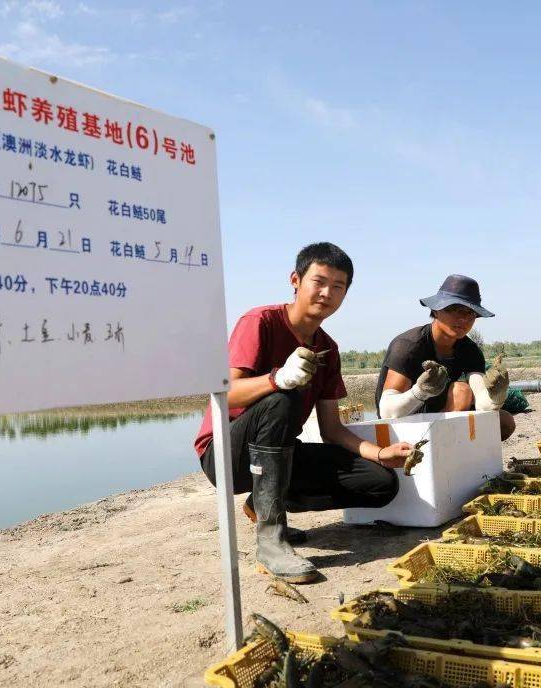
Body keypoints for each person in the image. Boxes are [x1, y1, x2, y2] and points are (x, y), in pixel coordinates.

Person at [194, 243, 411, 584]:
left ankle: (263, 503)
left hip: (278, 455)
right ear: (295, 280)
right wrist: (276, 378)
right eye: (319, 281)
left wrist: (381, 453)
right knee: (283, 398)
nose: (327, 292)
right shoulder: (260, 322)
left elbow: (332, 430)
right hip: (225, 455)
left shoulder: (328, 348)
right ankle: (271, 541)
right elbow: (226, 392)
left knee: (380, 485)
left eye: (338, 286)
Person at [374, 274, 516, 441]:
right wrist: (420, 391)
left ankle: (449, 447)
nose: (464, 319)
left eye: (470, 313)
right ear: (436, 310)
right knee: (461, 391)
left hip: (443, 414)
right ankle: (438, 444)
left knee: (504, 422)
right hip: (405, 418)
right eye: (455, 310)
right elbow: (387, 411)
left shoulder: (470, 349)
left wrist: (496, 397)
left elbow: (482, 401)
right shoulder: (408, 346)